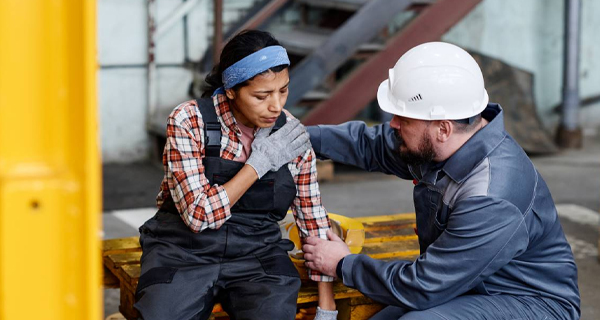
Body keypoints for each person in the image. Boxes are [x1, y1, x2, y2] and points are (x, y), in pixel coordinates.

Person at [302, 42, 580, 320]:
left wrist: (342, 264)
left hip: (531, 302)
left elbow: (423, 286)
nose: (393, 124)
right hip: (469, 284)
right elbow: (370, 145)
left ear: (443, 128)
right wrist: (299, 137)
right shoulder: (441, 143)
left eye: (403, 118)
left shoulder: (491, 195)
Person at [134, 30, 338, 320]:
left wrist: (326, 305)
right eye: (261, 95)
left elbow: (312, 218)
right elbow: (199, 215)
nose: (276, 106)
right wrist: (259, 163)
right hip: (183, 252)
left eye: (283, 90)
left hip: (257, 256)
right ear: (231, 90)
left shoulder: (290, 135)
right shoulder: (189, 121)